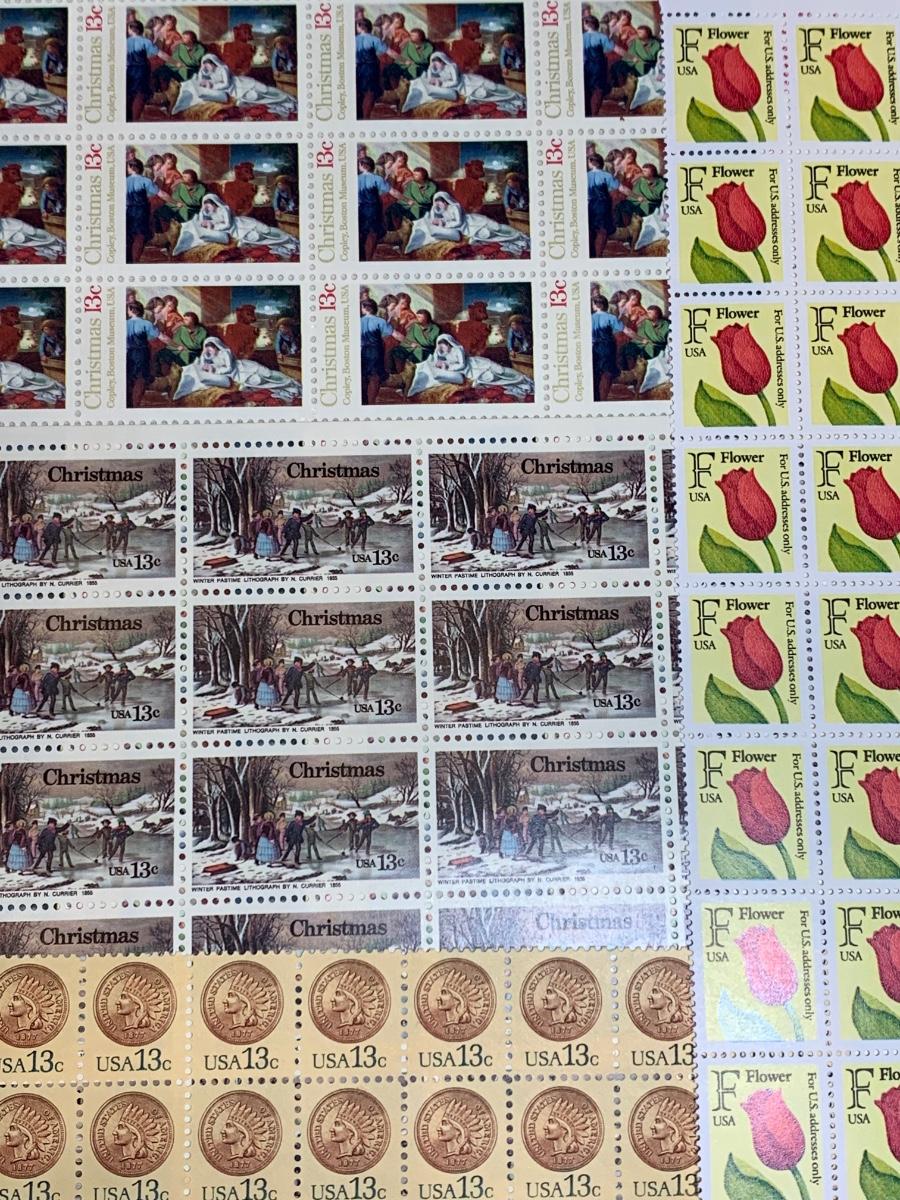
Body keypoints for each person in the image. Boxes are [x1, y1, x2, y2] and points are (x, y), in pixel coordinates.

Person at [126, 159, 169, 265]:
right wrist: (175, 202)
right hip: (141, 212)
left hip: (129, 211)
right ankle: (135, 261)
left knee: (129, 237)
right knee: (140, 236)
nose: (127, 169)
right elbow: (160, 194)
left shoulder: (125, 181)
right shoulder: (145, 181)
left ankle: (129, 261)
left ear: (133, 168)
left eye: (128, 167)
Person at [355, 17, 396, 120]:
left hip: (358, 69)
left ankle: (360, 118)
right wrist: (404, 60)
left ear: (360, 27)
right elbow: (390, 52)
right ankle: (366, 117)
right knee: (370, 93)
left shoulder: (354, 40)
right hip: (371, 69)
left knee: (359, 93)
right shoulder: (374, 39)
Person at [587, 154, 625, 260]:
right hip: (603, 206)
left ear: (593, 163)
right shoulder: (606, 175)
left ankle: (592, 255)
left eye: (589, 162)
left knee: (592, 230)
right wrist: (636, 196)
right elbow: (621, 188)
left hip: (590, 205)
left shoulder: (586, 176)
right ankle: (598, 256)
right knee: (602, 231)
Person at [360, 297, 395, 403]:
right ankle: (371, 402)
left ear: (366, 308)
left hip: (362, 351)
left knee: (364, 376)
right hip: (376, 352)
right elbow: (392, 334)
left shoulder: (359, 321)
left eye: (362, 307)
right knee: (375, 377)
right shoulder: (380, 321)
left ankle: (364, 402)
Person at [591, 293, 625, 402]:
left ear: (597, 305)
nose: (592, 306)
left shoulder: (590, 318)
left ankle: (596, 399)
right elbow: (625, 330)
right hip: (608, 348)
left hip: (595, 348)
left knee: (596, 374)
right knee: (608, 373)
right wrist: (641, 339)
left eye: (593, 304)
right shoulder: (611, 317)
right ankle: (603, 398)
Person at [583, 14, 614, 116]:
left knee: (587, 89)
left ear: (587, 24)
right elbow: (614, 49)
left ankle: (587, 113)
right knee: (598, 89)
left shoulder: (582, 37)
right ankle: (594, 113)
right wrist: (632, 58)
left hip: (586, 66)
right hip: (599, 67)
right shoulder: (602, 37)